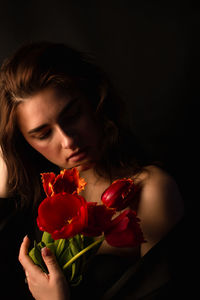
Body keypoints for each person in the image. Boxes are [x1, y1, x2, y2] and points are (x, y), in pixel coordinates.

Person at [0, 41, 186, 300]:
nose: (68, 141)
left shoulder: (150, 191)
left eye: (73, 115)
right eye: (43, 134)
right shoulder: (39, 192)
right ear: (26, 142)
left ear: (94, 100)